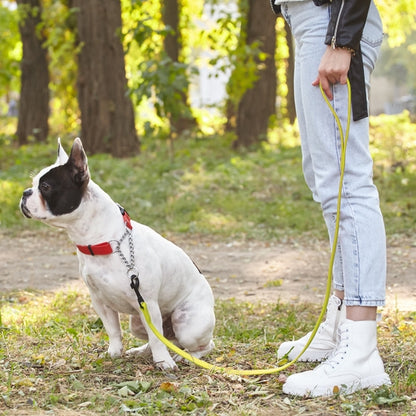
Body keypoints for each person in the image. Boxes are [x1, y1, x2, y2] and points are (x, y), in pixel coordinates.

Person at [270, 0, 391, 397]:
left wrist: (341, 38)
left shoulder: (338, 35)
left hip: (332, 22)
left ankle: (360, 352)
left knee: (346, 183)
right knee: (326, 182)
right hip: (311, 22)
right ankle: (340, 324)